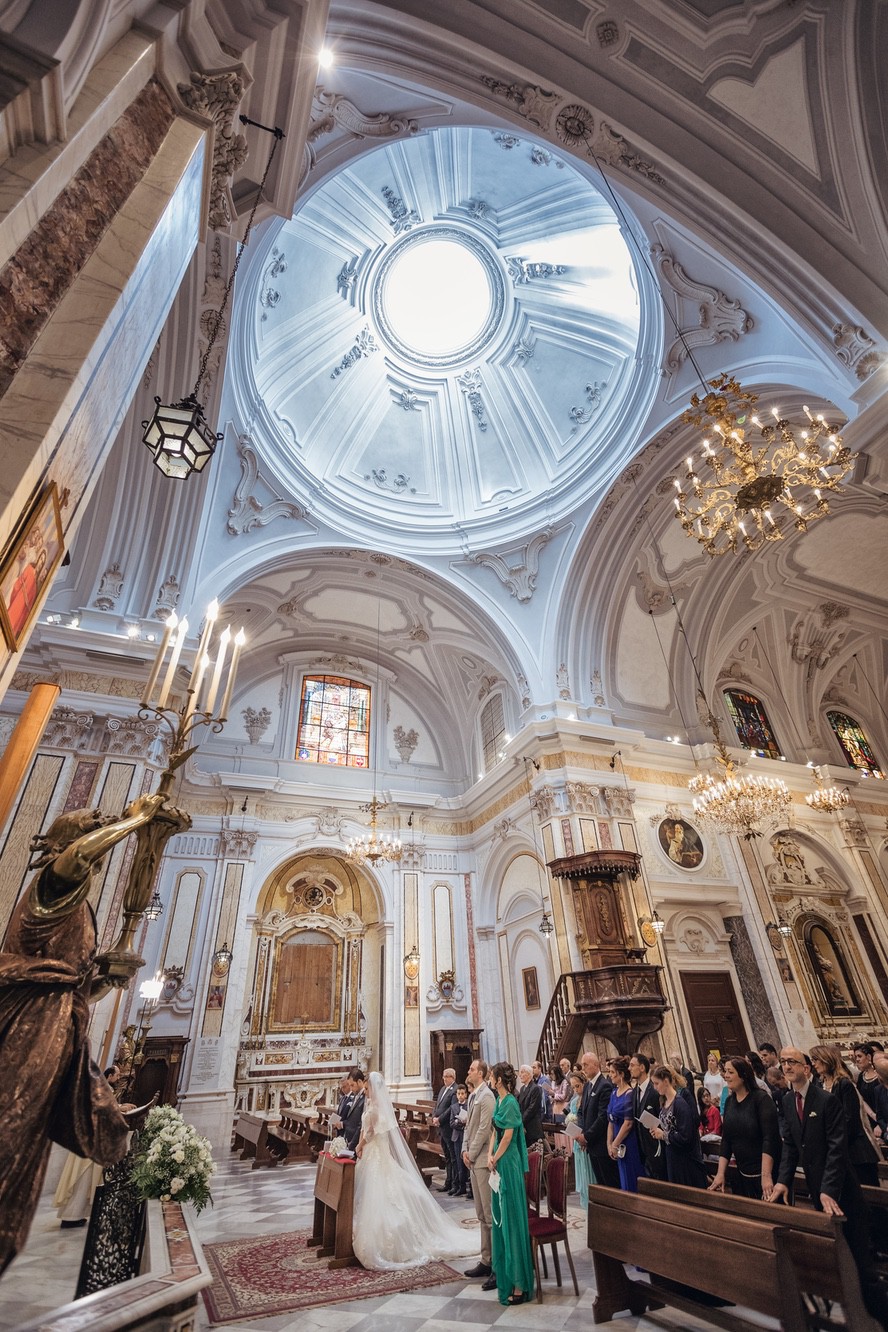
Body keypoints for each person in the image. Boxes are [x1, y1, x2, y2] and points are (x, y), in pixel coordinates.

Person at [0, 794, 169, 1274]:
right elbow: (80, 856)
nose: (107, 820)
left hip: (59, 1023)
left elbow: (72, 989)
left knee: (22, 1148)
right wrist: (136, 822)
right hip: (28, 1024)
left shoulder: (81, 903)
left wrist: (102, 983)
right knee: (10, 1128)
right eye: (95, 820)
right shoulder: (53, 883)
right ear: (68, 840)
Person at [768, 1047, 888, 1327]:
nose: (787, 1067)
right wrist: (783, 1181)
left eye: (792, 1062)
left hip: (841, 1190)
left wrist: (828, 1189)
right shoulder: (787, 1102)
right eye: (784, 1062)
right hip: (818, 1190)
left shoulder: (826, 1100)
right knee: (834, 1263)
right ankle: (854, 1318)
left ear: (807, 1068)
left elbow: (837, 1150)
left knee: (861, 1263)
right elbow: (789, 1147)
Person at [352, 1072, 478, 1269]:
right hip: (371, 1154)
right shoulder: (370, 1106)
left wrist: (360, 1145)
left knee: (386, 1194)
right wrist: (361, 1145)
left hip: (376, 1152)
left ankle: (392, 1239)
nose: (366, 1092)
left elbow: (370, 1132)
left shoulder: (377, 1109)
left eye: (368, 1089)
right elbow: (364, 1128)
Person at [488, 1061, 535, 1306]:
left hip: (509, 1163)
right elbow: (495, 1131)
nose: (490, 1079)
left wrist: (495, 1157)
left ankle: (520, 1284)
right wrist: (489, 1154)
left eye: (492, 1076)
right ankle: (507, 1276)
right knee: (501, 1220)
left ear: (499, 1079)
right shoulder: (498, 1101)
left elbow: (508, 1135)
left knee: (513, 1222)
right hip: (498, 1161)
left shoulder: (511, 1102)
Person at [709, 1055, 780, 1199]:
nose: (726, 1076)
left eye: (730, 1072)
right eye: (725, 1072)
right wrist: (720, 1173)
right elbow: (727, 1140)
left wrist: (766, 1176)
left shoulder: (761, 1099)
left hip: (766, 1173)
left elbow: (770, 1139)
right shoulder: (730, 1102)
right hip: (742, 1173)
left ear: (743, 1075)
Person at [810, 1044, 881, 1187]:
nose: (813, 1064)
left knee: (870, 1199)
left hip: (857, 1151)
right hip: (838, 1151)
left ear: (826, 1059)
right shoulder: (819, 1086)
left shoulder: (844, 1084)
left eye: (815, 1059)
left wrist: (834, 1142)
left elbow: (850, 1120)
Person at [462, 1059, 497, 1287]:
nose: (469, 1071)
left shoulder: (487, 1097)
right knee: (481, 1215)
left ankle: (496, 1263)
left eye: (472, 1069)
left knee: (489, 1214)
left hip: (483, 1161)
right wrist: (464, 1149)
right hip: (474, 1160)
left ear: (482, 1073)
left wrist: (472, 1153)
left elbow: (485, 1129)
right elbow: (469, 1127)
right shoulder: (474, 1095)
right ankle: (485, 1259)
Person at [650, 1065, 708, 1188]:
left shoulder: (680, 1104)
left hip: (685, 1159)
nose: (655, 1088)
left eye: (656, 1083)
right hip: (672, 1156)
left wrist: (664, 1135)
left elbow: (686, 1136)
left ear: (666, 1081)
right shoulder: (664, 1102)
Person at [577, 1051, 619, 1187]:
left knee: (610, 1183)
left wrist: (587, 1136)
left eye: (585, 1065)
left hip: (601, 1144)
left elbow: (602, 1117)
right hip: (591, 1145)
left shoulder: (604, 1085)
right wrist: (581, 1134)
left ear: (595, 1065)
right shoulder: (588, 1085)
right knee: (601, 1183)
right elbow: (582, 1111)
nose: (583, 1068)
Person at [607, 1056, 645, 1192]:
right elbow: (611, 1121)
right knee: (622, 1177)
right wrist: (609, 1144)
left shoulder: (629, 1093)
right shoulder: (613, 1093)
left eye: (612, 1072)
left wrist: (615, 1143)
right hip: (616, 1139)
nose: (610, 1075)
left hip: (627, 1141)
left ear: (621, 1074)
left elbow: (628, 1123)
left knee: (631, 1175)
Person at [631, 1051, 667, 1181]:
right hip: (643, 1148)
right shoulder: (635, 1091)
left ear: (642, 1067)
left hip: (657, 1147)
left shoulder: (654, 1090)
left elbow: (663, 1116)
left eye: (632, 1065)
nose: (630, 1068)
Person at [567, 1071, 595, 1206]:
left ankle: (592, 1200)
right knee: (581, 1173)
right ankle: (584, 1200)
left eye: (577, 1086)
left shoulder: (588, 1098)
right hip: (577, 1139)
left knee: (588, 1171)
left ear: (584, 1083)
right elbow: (572, 1117)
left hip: (586, 1138)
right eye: (573, 1087)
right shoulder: (573, 1102)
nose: (576, 1090)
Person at [853, 1042, 888, 1137]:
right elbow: (861, 1099)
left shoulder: (882, 1077)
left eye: (859, 1056)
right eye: (855, 1057)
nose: (857, 1060)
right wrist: (873, 1116)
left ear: (868, 1057)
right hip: (871, 1120)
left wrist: (881, 1124)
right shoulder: (861, 1076)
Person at [432, 1066, 457, 1191]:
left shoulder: (454, 1090)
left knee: (452, 1157)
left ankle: (453, 1183)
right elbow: (437, 1104)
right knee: (447, 1156)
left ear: (452, 1077)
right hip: (441, 1128)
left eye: (446, 1076)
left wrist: (440, 1119)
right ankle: (448, 1182)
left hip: (448, 1127)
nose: (443, 1079)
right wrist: (434, 1116)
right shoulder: (443, 1089)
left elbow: (451, 1109)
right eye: (443, 1076)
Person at [516, 1063, 543, 1147]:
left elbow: (532, 1108)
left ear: (529, 1074)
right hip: (524, 1126)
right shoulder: (522, 1089)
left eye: (522, 1072)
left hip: (532, 1126)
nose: (520, 1075)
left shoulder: (535, 1088)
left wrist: (521, 1121)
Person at [450, 1082, 469, 1195]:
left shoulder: (468, 1105)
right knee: (458, 1162)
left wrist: (462, 1123)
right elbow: (451, 1123)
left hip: (466, 1137)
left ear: (466, 1094)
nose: (461, 1096)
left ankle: (468, 1188)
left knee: (466, 1162)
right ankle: (460, 1187)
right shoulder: (454, 1107)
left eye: (462, 1093)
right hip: (457, 1137)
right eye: (459, 1094)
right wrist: (460, 1124)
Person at [341, 1068, 366, 1152]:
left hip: (356, 1141)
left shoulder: (365, 1098)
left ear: (359, 1081)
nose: (351, 1089)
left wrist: (353, 1144)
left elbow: (360, 1124)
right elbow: (351, 1119)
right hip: (349, 1138)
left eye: (352, 1085)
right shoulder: (356, 1096)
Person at [551, 1058, 572, 1123]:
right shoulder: (553, 1082)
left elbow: (564, 1096)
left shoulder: (564, 1081)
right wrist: (551, 1096)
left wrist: (554, 1095)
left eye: (553, 1074)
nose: (552, 1076)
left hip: (563, 1105)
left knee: (562, 1124)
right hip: (555, 1105)